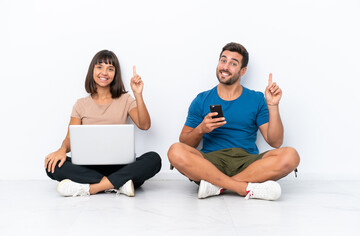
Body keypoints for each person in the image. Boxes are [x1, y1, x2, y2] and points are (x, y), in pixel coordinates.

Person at [168, 42, 300, 201]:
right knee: (175, 150)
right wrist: (201, 129)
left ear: (242, 71)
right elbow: (185, 143)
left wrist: (273, 104)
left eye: (233, 63)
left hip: (248, 162)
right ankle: (242, 188)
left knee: (291, 155)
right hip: (210, 163)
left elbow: (276, 142)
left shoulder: (257, 99)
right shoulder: (201, 99)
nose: (225, 66)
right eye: (223, 60)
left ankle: (217, 186)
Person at [45, 50, 161, 197]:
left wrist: (138, 94)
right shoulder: (80, 104)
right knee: (52, 165)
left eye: (110, 69)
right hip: (88, 167)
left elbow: (144, 125)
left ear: (115, 74)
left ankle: (91, 188)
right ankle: (119, 184)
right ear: (92, 70)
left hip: (119, 166)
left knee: (154, 159)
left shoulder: (125, 99)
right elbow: (69, 139)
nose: (104, 72)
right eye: (99, 67)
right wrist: (62, 149)